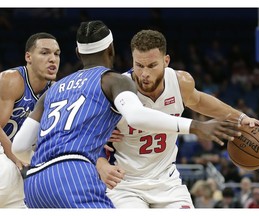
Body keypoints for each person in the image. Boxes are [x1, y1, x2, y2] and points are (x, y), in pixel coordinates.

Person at [11, 20, 240, 208]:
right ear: (112, 50)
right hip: (82, 174)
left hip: (36, 180)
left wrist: (47, 162)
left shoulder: (53, 89)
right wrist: (197, 127)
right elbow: (137, 116)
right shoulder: (114, 81)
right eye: (139, 65)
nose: (143, 73)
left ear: (78, 52)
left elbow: (19, 147)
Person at [96, 29, 259, 208]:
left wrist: (241, 117)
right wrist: (101, 163)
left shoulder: (180, 82)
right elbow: (82, 138)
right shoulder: (117, 91)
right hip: (125, 185)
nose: (144, 73)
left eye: (151, 66)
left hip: (167, 182)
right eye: (139, 65)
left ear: (166, 61)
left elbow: (199, 101)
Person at [0, 32, 60, 208]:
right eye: (44, 53)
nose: (52, 59)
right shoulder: (12, 80)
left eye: (56, 54)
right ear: (28, 57)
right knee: (8, 173)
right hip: (4, 148)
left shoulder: (56, 90)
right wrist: (19, 161)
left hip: (17, 150)